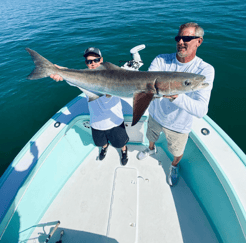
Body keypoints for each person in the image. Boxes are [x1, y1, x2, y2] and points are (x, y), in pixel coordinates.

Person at [137, 22, 215, 186]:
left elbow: (201, 110)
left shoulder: (205, 70)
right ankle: (151, 149)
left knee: (176, 152)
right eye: (178, 38)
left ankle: (174, 165)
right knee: (151, 136)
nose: (180, 42)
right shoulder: (161, 59)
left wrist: (175, 95)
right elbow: (146, 84)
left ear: (198, 41)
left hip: (179, 125)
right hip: (155, 115)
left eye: (186, 38)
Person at [50, 47, 129, 165]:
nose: (93, 64)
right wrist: (61, 71)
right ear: (86, 63)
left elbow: (130, 77)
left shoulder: (116, 75)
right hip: (96, 122)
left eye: (96, 60)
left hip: (115, 121)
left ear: (101, 60)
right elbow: (71, 75)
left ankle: (124, 151)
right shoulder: (83, 77)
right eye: (89, 61)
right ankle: (104, 148)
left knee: (120, 143)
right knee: (101, 142)